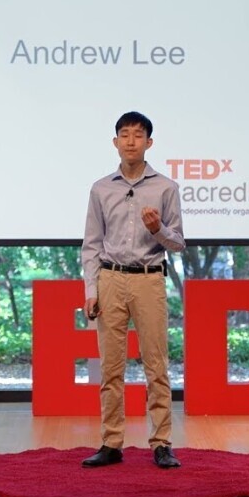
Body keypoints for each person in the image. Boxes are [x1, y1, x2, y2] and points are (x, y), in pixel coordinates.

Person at [80, 111, 186, 469]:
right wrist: (91, 289)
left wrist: (158, 229)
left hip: (148, 278)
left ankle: (162, 443)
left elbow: (178, 243)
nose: (130, 141)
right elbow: (91, 244)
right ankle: (111, 443)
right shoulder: (101, 189)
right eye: (124, 134)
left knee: (156, 365)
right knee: (111, 366)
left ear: (149, 143)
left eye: (138, 135)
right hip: (110, 279)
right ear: (115, 142)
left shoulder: (166, 188)